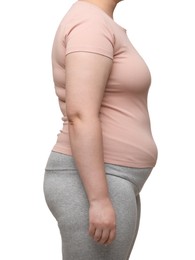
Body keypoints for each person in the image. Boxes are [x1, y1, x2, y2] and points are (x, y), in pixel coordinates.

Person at [43, 0, 158, 259]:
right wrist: (98, 199)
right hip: (94, 181)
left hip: (112, 179)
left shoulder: (99, 22)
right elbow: (80, 114)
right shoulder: (90, 24)